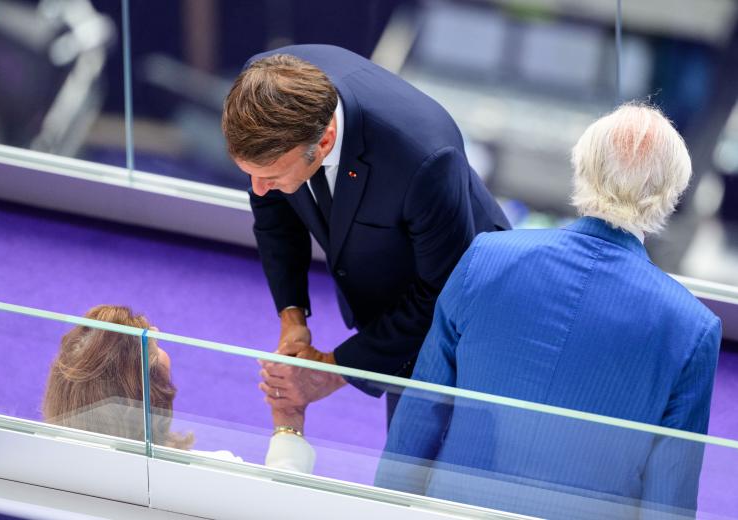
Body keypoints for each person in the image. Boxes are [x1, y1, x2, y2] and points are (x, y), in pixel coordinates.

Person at [375, 104, 722, 518]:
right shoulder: (691, 328)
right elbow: (669, 495)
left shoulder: (486, 258)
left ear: (581, 169)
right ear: (672, 194)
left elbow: (421, 415)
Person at [221, 45, 510, 422]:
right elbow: (274, 209)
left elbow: (441, 293)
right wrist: (292, 318)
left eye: (271, 176)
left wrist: (334, 371)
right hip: (393, 287)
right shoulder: (261, 94)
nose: (256, 189)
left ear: (324, 142)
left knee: (434, 445)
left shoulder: (423, 159)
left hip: (468, 305)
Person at [42, 305, 315, 473]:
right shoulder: (214, 472)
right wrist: (289, 424)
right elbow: (282, 508)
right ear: (152, 399)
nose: (157, 333)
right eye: (154, 346)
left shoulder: (40, 458)